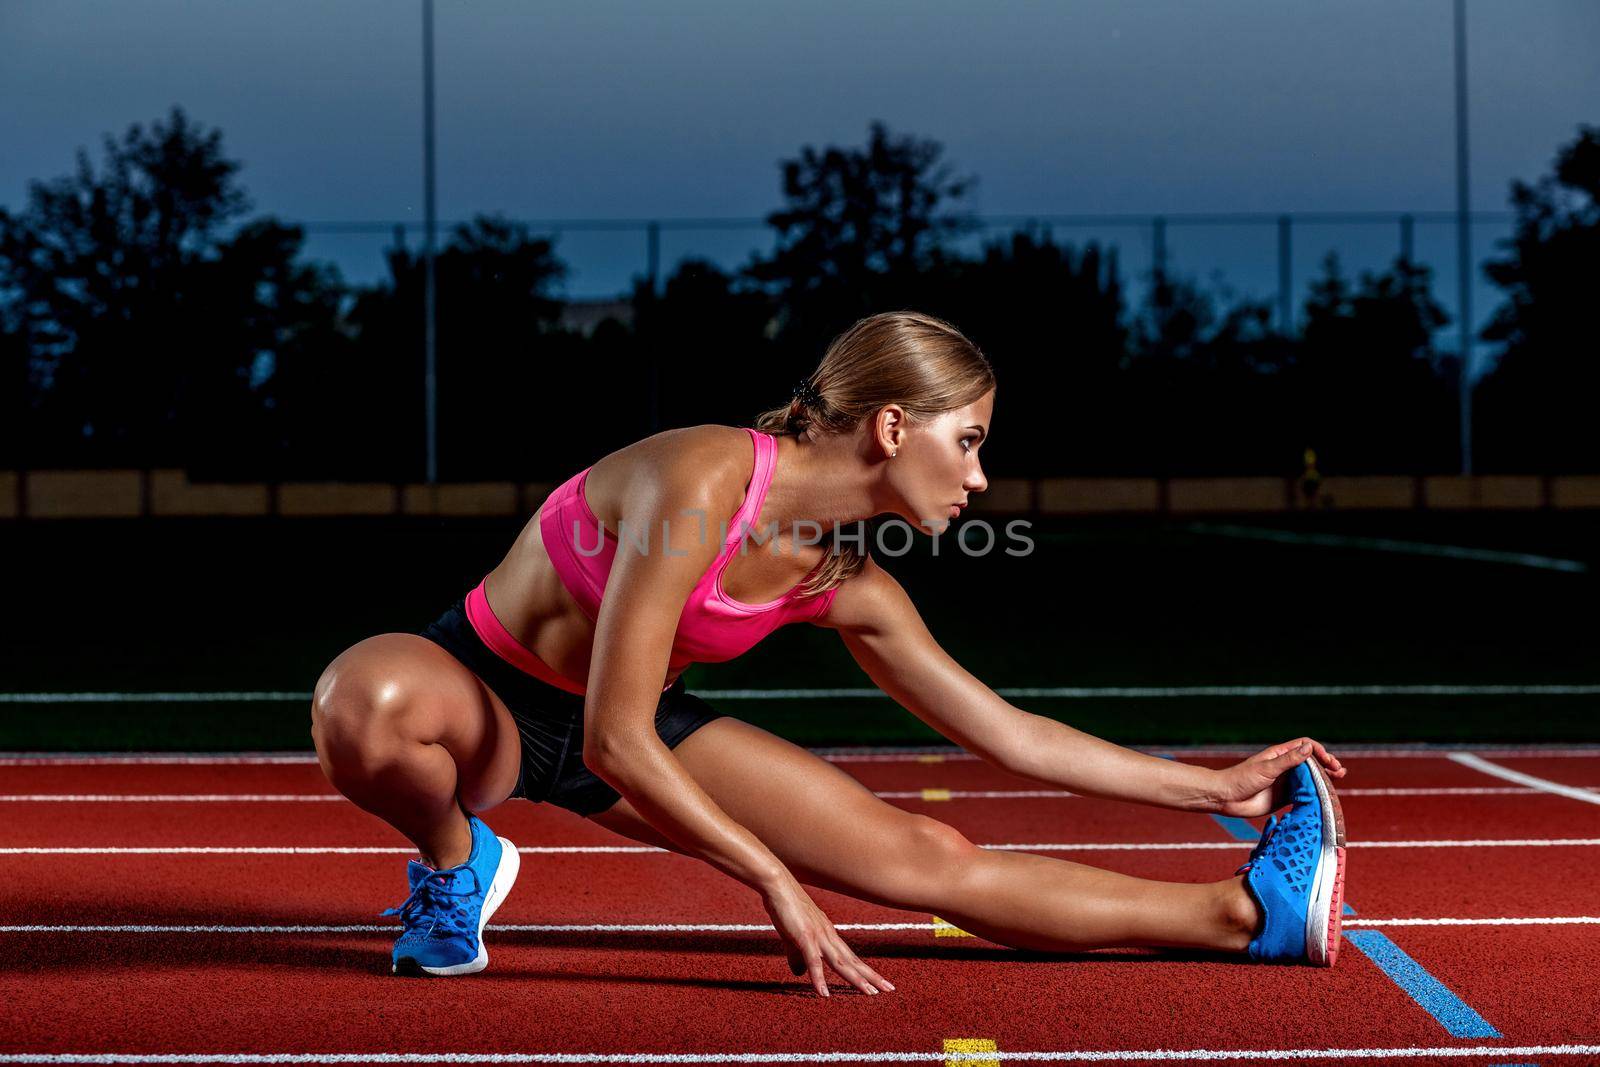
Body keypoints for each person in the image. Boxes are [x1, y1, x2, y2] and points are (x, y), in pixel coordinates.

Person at [310, 310, 1349, 993]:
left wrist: (1214, 790)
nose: (981, 479)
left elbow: (1007, 733)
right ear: (896, 425)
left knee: (925, 859)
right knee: (364, 696)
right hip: (488, 696)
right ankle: (458, 857)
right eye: (972, 441)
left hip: (616, 724)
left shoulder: (846, 582)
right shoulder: (703, 479)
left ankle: (1243, 913)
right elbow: (618, 735)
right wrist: (773, 877)